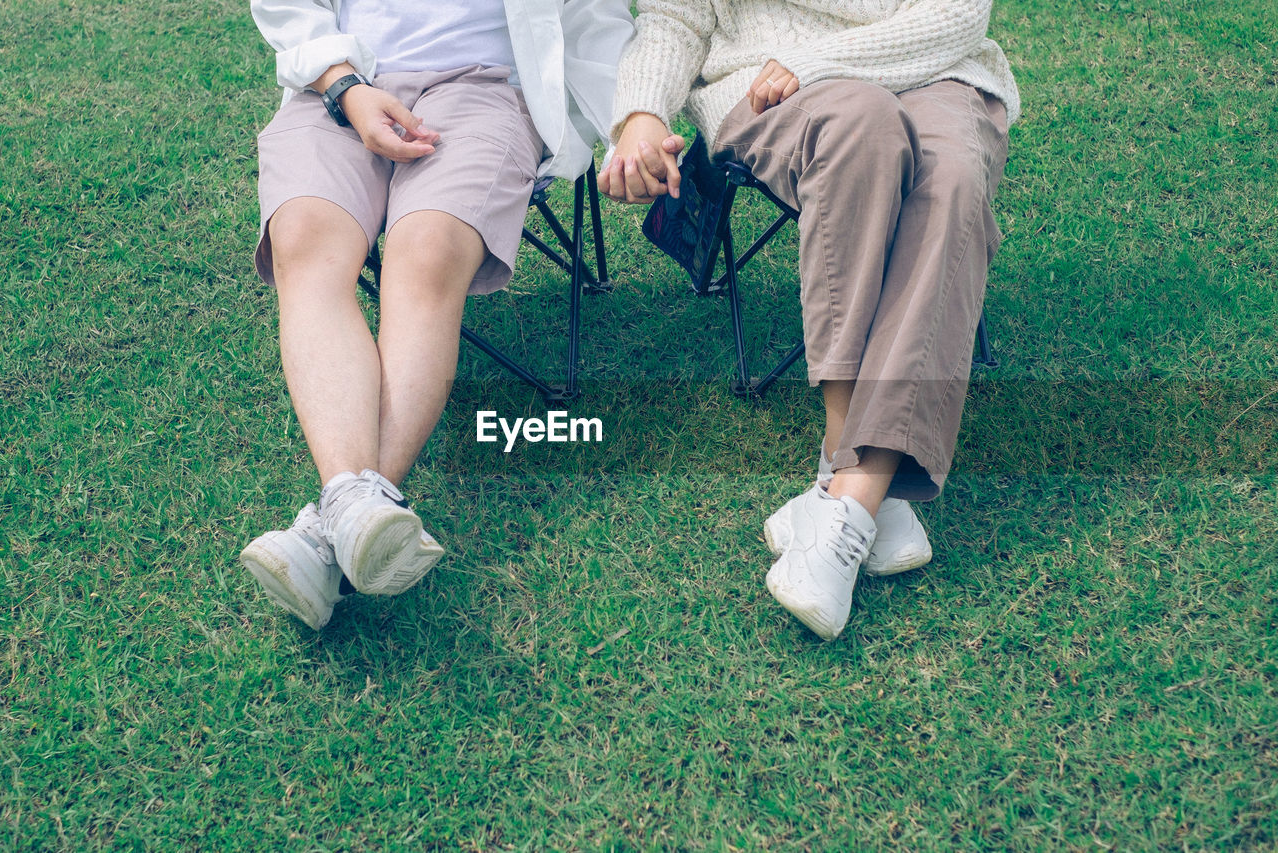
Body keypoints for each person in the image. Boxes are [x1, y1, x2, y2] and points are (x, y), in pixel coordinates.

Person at [600, 0, 1020, 641]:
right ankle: (876, 494)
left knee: (954, 180)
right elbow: (675, 17)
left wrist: (818, 61)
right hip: (775, 94)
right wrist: (641, 115)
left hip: (938, 71)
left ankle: (847, 494)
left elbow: (958, 13)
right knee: (863, 120)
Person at [241, 0, 633, 629]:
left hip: (489, 88)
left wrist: (615, 119)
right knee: (307, 237)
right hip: (340, 79)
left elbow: (598, 16)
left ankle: (333, 521)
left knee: (427, 251)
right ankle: (358, 509)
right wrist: (344, 86)